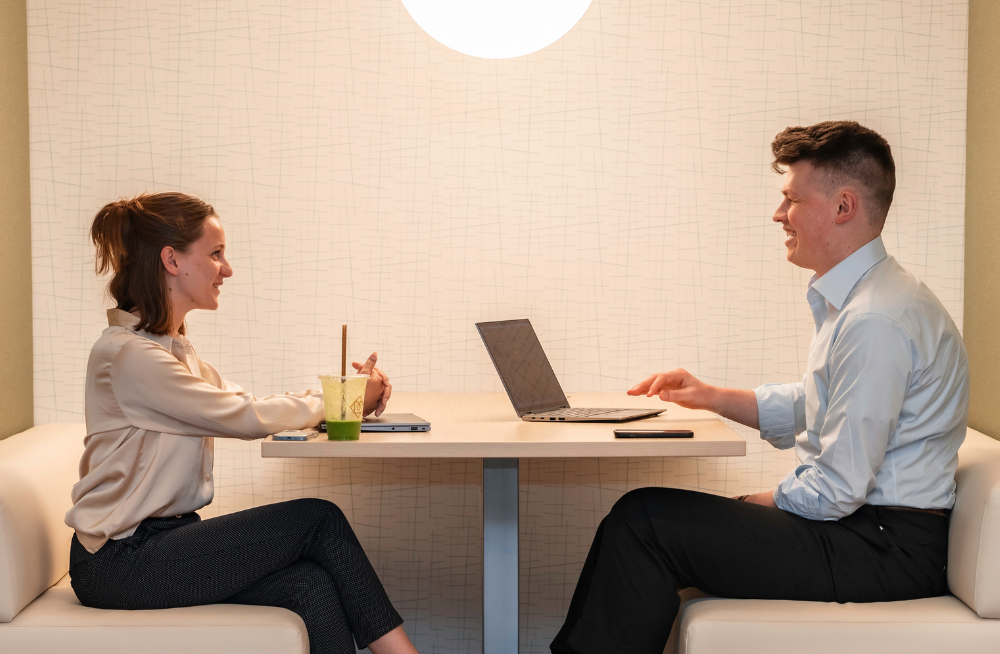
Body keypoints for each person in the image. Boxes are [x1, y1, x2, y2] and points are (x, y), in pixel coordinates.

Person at [551, 121, 969, 654]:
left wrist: (754, 501)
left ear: (843, 207)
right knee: (643, 520)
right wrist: (711, 396)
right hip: (874, 535)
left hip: (882, 548)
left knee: (646, 523)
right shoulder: (871, 301)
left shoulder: (876, 320)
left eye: (791, 200)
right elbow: (820, 404)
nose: (779, 216)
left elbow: (837, 490)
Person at [66, 192, 418, 654]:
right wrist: (344, 400)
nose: (226, 269)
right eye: (215, 254)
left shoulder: (170, 350)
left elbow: (248, 402)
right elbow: (247, 418)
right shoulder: (130, 357)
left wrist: (345, 398)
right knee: (318, 519)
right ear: (171, 260)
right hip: (118, 561)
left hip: (160, 543)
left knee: (309, 586)